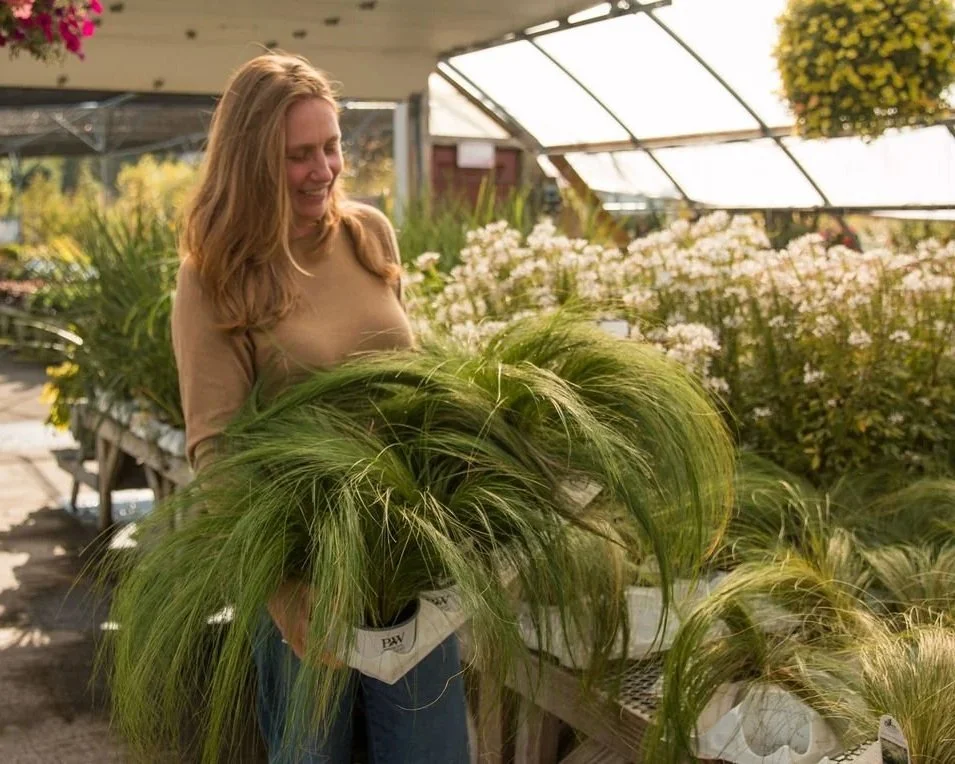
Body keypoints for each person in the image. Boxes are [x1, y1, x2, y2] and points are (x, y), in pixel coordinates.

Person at [171, 51, 471, 764]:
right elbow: (214, 448)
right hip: (305, 574)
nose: (325, 169)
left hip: (408, 559)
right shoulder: (215, 276)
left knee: (430, 753)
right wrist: (283, 589)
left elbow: (411, 379)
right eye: (298, 155)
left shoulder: (367, 233)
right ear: (250, 163)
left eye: (332, 145)